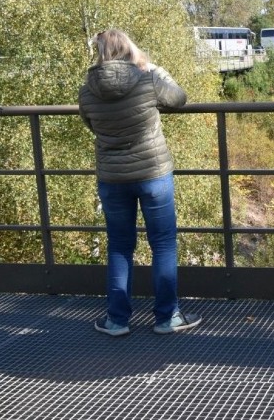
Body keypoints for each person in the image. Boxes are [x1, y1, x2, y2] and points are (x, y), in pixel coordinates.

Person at [79, 29, 202, 336]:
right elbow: (179, 99)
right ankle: (167, 317)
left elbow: (91, 126)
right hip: (153, 174)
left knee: (119, 247)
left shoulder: (86, 92)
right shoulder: (147, 81)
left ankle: (117, 320)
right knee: (162, 244)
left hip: (112, 177)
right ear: (129, 50)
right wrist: (156, 70)